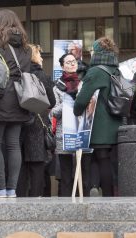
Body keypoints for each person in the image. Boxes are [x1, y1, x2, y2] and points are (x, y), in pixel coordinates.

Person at [0, 9, 31, 198]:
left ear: (1, 23)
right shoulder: (26, 47)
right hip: (20, 98)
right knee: (13, 144)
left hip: (1, 96)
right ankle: (12, 189)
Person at [74, 37, 123, 197]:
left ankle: (105, 195)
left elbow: (81, 99)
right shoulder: (116, 69)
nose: (91, 53)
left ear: (98, 52)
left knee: (101, 159)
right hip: (115, 122)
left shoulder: (95, 71)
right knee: (107, 160)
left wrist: (76, 109)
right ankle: (107, 193)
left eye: (92, 50)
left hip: (100, 126)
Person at [17, 44, 56, 197]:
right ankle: (35, 198)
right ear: (33, 56)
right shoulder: (41, 75)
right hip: (38, 123)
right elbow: (51, 101)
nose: (41, 58)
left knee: (20, 166)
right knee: (37, 165)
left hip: (20, 123)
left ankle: (19, 197)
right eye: (39, 55)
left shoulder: (17, 73)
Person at [52, 53, 91, 196]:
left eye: (73, 61)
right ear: (62, 66)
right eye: (68, 62)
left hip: (83, 130)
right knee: (66, 175)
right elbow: (53, 112)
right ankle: (66, 205)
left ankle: (85, 201)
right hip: (65, 134)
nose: (72, 64)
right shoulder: (57, 86)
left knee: (85, 172)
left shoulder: (85, 83)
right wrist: (68, 102)